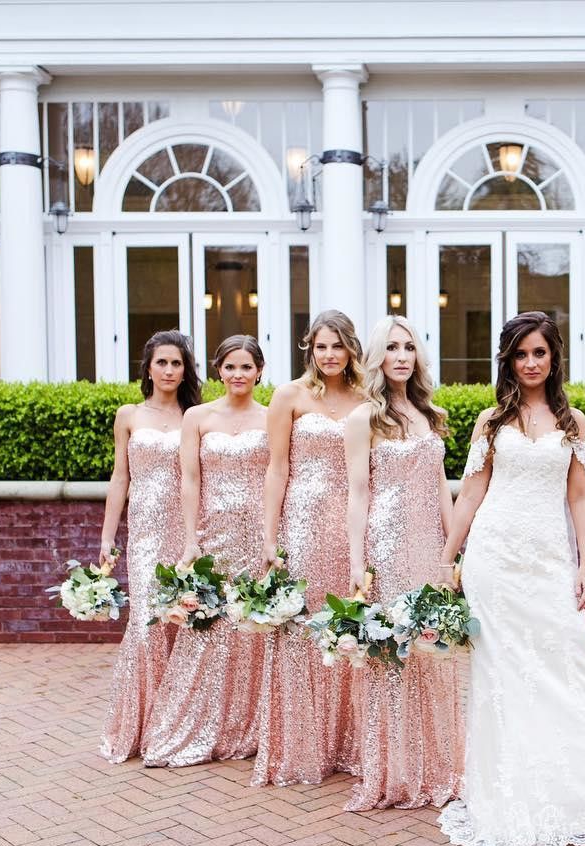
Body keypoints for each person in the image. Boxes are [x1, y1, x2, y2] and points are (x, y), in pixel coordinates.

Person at [437, 311, 585, 846]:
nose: (530, 363)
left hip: (550, 558)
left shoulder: (572, 420)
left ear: (554, 358)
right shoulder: (491, 420)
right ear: (507, 360)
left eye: (540, 353)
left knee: (568, 664)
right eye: (521, 354)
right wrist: (448, 558)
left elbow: (581, 495)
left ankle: (575, 788)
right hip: (495, 556)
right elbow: (470, 494)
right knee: (503, 673)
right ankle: (510, 791)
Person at [342, 316, 463, 809]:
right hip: (386, 543)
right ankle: (390, 770)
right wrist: (357, 562)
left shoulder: (429, 414)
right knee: (390, 655)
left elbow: (441, 489)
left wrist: (453, 552)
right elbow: (357, 492)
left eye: (409, 347)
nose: (401, 356)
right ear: (377, 356)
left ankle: (435, 764)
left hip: (428, 542)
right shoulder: (363, 418)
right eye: (391, 347)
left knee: (432, 654)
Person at [142, 335, 269, 767]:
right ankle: (195, 721)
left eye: (246, 367)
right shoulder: (197, 416)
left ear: (259, 372)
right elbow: (190, 479)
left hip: (256, 535)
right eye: (230, 367)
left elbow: (279, 477)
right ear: (218, 371)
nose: (238, 375)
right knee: (207, 626)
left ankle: (248, 725)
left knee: (251, 625)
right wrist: (191, 537)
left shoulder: (273, 418)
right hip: (213, 535)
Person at [253, 311, 365, 786]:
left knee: (349, 626)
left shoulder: (366, 398)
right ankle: (302, 742)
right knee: (304, 628)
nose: (329, 355)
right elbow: (277, 468)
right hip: (303, 521)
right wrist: (269, 535)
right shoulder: (290, 396)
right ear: (309, 349)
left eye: (337, 346)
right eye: (321, 346)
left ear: (351, 349)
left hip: (351, 522)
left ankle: (350, 741)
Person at [99, 331, 202, 763]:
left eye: (176, 364)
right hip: (144, 532)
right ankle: (138, 724)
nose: (169, 371)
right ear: (147, 367)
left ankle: (172, 724)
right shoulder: (129, 414)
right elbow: (120, 478)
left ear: (186, 370)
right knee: (146, 623)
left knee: (182, 623)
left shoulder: (195, 416)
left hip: (185, 529)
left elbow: (201, 478)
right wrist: (107, 536)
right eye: (161, 362)